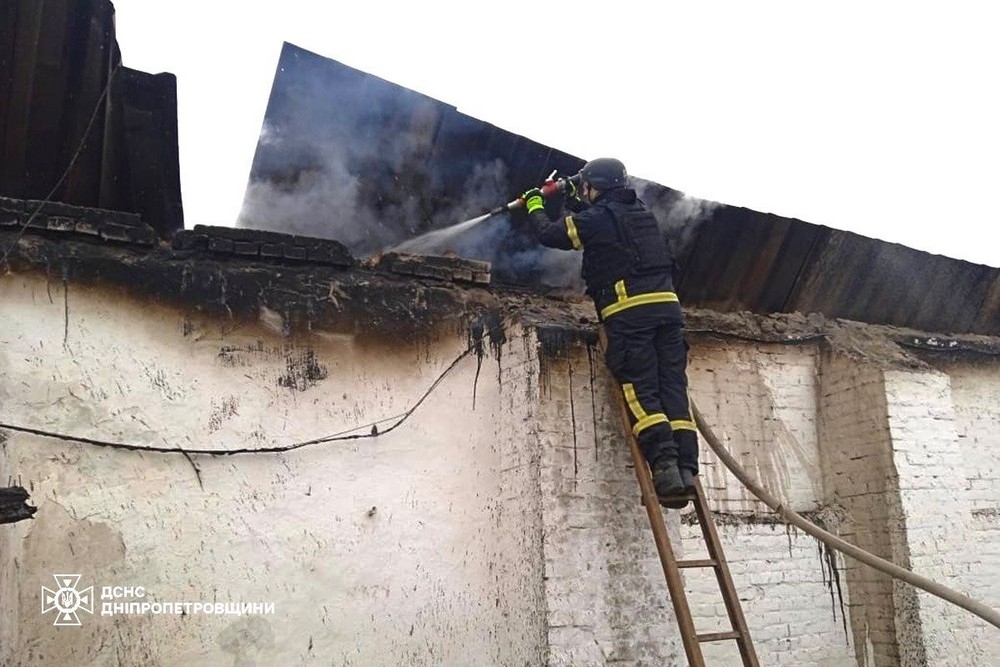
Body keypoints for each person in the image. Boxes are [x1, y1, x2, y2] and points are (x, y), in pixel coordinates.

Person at [522, 158, 698, 508]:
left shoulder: (599, 219)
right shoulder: (640, 213)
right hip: (668, 312)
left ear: (596, 187)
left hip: (630, 314)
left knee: (640, 387)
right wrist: (574, 198)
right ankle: (687, 469)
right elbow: (599, 225)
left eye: (587, 186)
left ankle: (664, 469)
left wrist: (535, 203)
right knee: (673, 388)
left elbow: (552, 234)